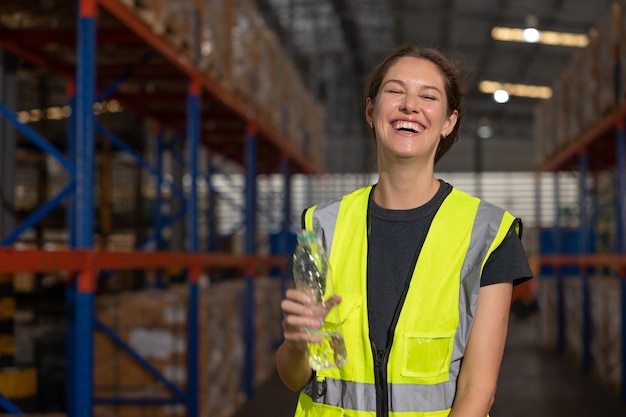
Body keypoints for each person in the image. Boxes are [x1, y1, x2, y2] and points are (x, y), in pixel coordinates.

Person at [276, 44, 533, 417]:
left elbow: (478, 390)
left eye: (428, 96)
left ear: (448, 122)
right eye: (395, 91)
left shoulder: (487, 235)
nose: (410, 105)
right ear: (370, 110)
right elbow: (292, 376)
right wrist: (297, 344)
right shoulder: (322, 228)